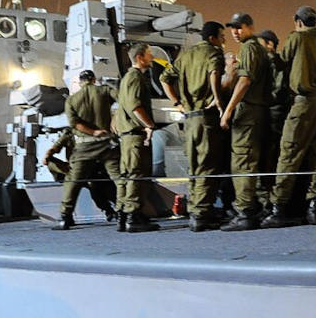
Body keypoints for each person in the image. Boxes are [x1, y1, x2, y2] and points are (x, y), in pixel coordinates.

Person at [263, 6, 316, 227]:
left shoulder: (297, 38)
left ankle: (278, 208)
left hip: (303, 103)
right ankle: (314, 207)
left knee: (289, 154)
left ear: (297, 21)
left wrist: (269, 54)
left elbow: (282, 61)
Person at [161, 22, 227, 231]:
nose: (224, 40)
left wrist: (176, 102)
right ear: (212, 38)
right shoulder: (213, 53)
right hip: (206, 118)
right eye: (221, 36)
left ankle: (195, 210)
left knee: (194, 165)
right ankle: (201, 214)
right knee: (208, 166)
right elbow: (214, 74)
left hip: (189, 119)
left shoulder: (185, 56)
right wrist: (217, 99)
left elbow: (165, 78)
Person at [218, 13, 273, 231]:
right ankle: (260, 206)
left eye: (239, 27)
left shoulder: (250, 48)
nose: (235, 32)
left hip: (249, 111)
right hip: (259, 112)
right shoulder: (258, 48)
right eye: (232, 28)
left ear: (250, 27)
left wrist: (228, 110)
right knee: (254, 161)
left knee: (242, 162)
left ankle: (245, 212)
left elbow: (245, 79)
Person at [59, 70, 123, 230]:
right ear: (94, 80)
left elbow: (75, 123)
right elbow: (123, 100)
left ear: (80, 82)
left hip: (84, 147)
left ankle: (65, 217)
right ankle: (124, 213)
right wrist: (115, 119)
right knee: (119, 179)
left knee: (73, 182)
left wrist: (92, 132)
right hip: (107, 145)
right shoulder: (104, 91)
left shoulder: (72, 100)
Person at [115, 43, 160, 233]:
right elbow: (135, 106)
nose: (152, 58)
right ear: (140, 58)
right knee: (136, 175)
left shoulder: (126, 78)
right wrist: (149, 125)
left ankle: (125, 214)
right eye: (149, 55)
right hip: (134, 136)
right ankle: (133, 217)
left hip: (127, 137)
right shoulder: (135, 78)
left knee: (128, 175)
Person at [44, 129, 117, 220]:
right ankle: (66, 214)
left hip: (93, 169)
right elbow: (56, 146)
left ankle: (109, 209)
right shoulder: (70, 133)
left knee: (96, 188)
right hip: (74, 168)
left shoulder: (94, 133)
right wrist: (48, 155)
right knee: (54, 166)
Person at [257, 29, 291, 207]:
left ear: (270, 45)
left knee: (268, 157)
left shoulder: (272, 62)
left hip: (272, 115)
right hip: (277, 115)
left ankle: (268, 201)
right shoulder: (282, 63)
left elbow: (275, 92)